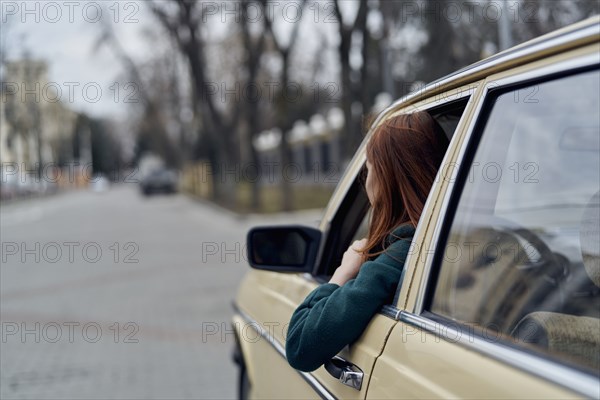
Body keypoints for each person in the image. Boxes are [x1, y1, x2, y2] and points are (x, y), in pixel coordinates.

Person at [285, 111, 450, 372]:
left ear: (386, 179)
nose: (366, 182)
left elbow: (300, 346)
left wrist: (343, 272)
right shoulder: (449, 235)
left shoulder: (398, 255)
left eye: (369, 170)